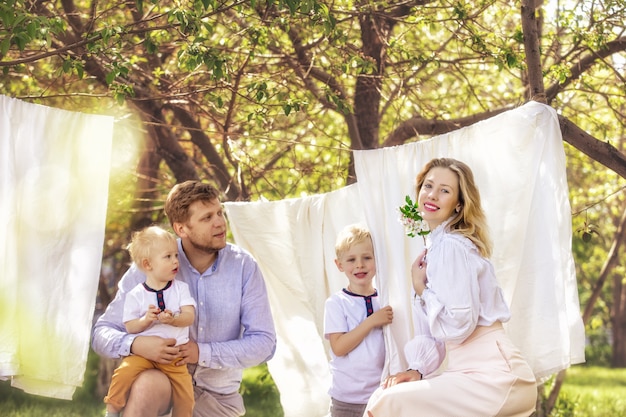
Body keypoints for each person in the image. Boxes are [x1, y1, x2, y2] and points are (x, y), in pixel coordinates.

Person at [364, 157, 537, 417]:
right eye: (428, 186)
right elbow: (439, 332)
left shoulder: (452, 247)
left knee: (387, 403)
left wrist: (422, 290)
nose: (432, 195)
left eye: (444, 190)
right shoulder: (439, 247)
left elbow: (459, 324)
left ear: (458, 203)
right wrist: (418, 369)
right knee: (387, 398)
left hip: (493, 377)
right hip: (468, 372)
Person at [92, 181, 277, 417]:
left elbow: (264, 343)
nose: (220, 222)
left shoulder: (244, 266)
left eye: (220, 213)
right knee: (148, 383)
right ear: (181, 229)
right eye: (207, 217)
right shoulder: (150, 264)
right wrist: (136, 344)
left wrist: (201, 352)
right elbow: (101, 333)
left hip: (217, 399)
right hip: (159, 388)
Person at [104, 225, 196, 417]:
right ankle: (112, 410)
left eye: (176, 256)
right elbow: (130, 326)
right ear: (148, 265)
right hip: (143, 357)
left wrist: (173, 319)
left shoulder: (180, 289)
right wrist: (146, 320)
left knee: (186, 398)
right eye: (167, 257)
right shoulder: (136, 295)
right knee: (123, 373)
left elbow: (189, 316)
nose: (175, 261)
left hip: (175, 359)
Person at [324, 224, 393, 417]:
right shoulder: (337, 303)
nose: (359, 265)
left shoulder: (386, 300)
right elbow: (339, 347)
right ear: (339, 265)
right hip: (346, 399)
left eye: (367, 258)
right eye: (351, 259)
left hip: (379, 395)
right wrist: (371, 322)